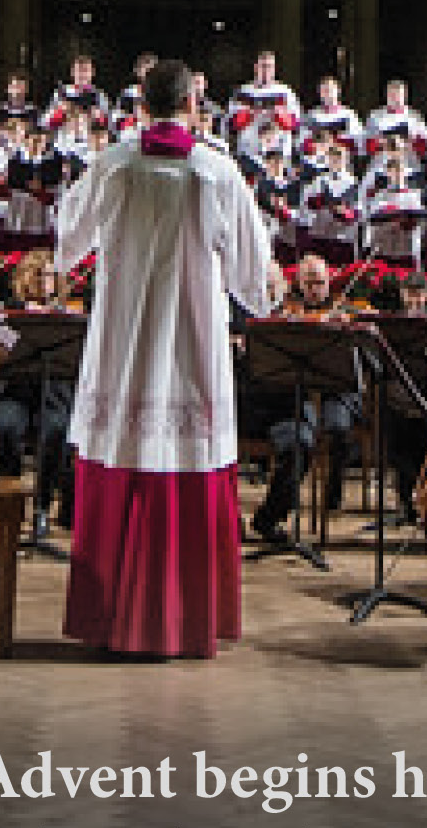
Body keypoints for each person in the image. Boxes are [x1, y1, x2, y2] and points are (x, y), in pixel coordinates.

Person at [55, 53, 275, 657]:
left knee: (120, 447)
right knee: (190, 457)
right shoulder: (218, 170)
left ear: (140, 105)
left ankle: (110, 619)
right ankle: (188, 619)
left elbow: (67, 239)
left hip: (124, 342)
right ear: (192, 106)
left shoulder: (112, 163)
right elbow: (254, 275)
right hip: (191, 344)